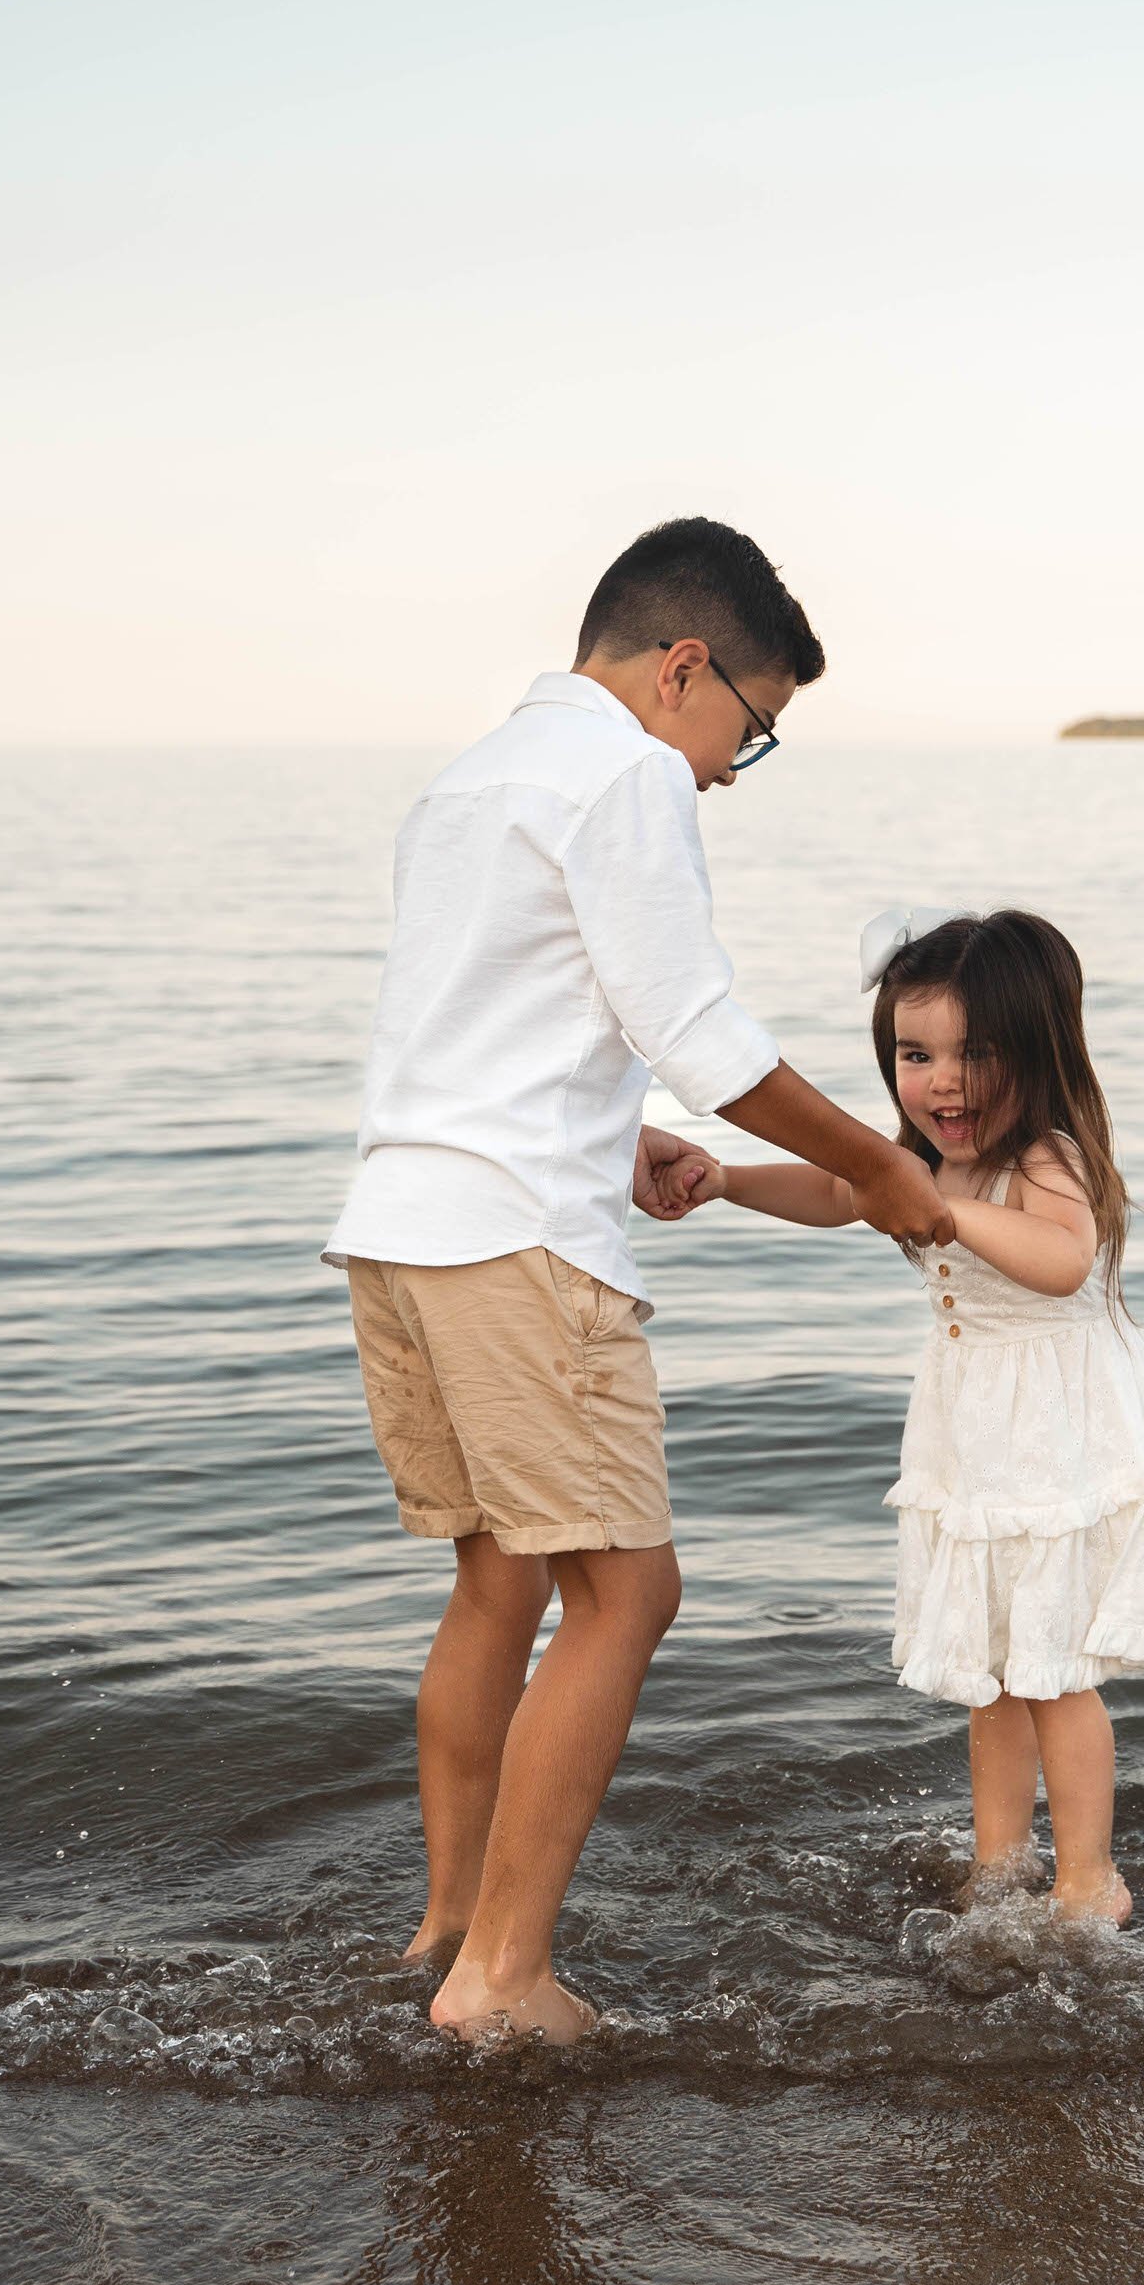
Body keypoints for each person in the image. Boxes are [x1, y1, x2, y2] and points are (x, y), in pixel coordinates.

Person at [323, 520, 951, 2042]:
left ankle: (452, 1925)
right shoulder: (627, 775)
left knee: (499, 1580)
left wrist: (624, 1143)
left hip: (401, 1226)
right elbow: (704, 1027)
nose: (736, 768)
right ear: (685, 669)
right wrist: (883, 1170)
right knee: (628, 1591)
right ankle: (506, 1980)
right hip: (517, 1248)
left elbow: (477, 1032)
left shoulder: (471, 778)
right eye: (753, 726)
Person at [663, 907, 1144, 1922]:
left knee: (1054, 1673)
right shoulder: (921, 1157)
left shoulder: (1044, 1159)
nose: (943, 1082)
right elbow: (840, 1191)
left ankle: (1091, 1880)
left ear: (1039, 1053)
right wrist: (723, 1177)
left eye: (978, 1053)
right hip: (976, 1438)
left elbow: (1059, 1263)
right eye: (916, 1054)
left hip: (1062, 1437)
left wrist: (949, 1207)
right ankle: (999, 1862)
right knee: (990, 1673)